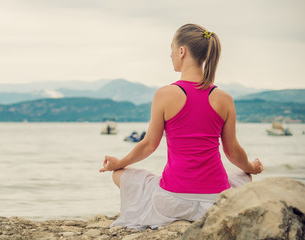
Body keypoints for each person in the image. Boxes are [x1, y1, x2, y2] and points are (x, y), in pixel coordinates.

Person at [99, 23, 264, 230]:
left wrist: (119, 162)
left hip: (172, 202)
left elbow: (149, 145)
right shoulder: (224, 98)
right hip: (216, 201)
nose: (170, 55)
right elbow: (232, 152)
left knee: (119, 175)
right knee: (243, 176)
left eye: (171, 49)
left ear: (182, 51)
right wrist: (251, 167)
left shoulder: (164, 94)